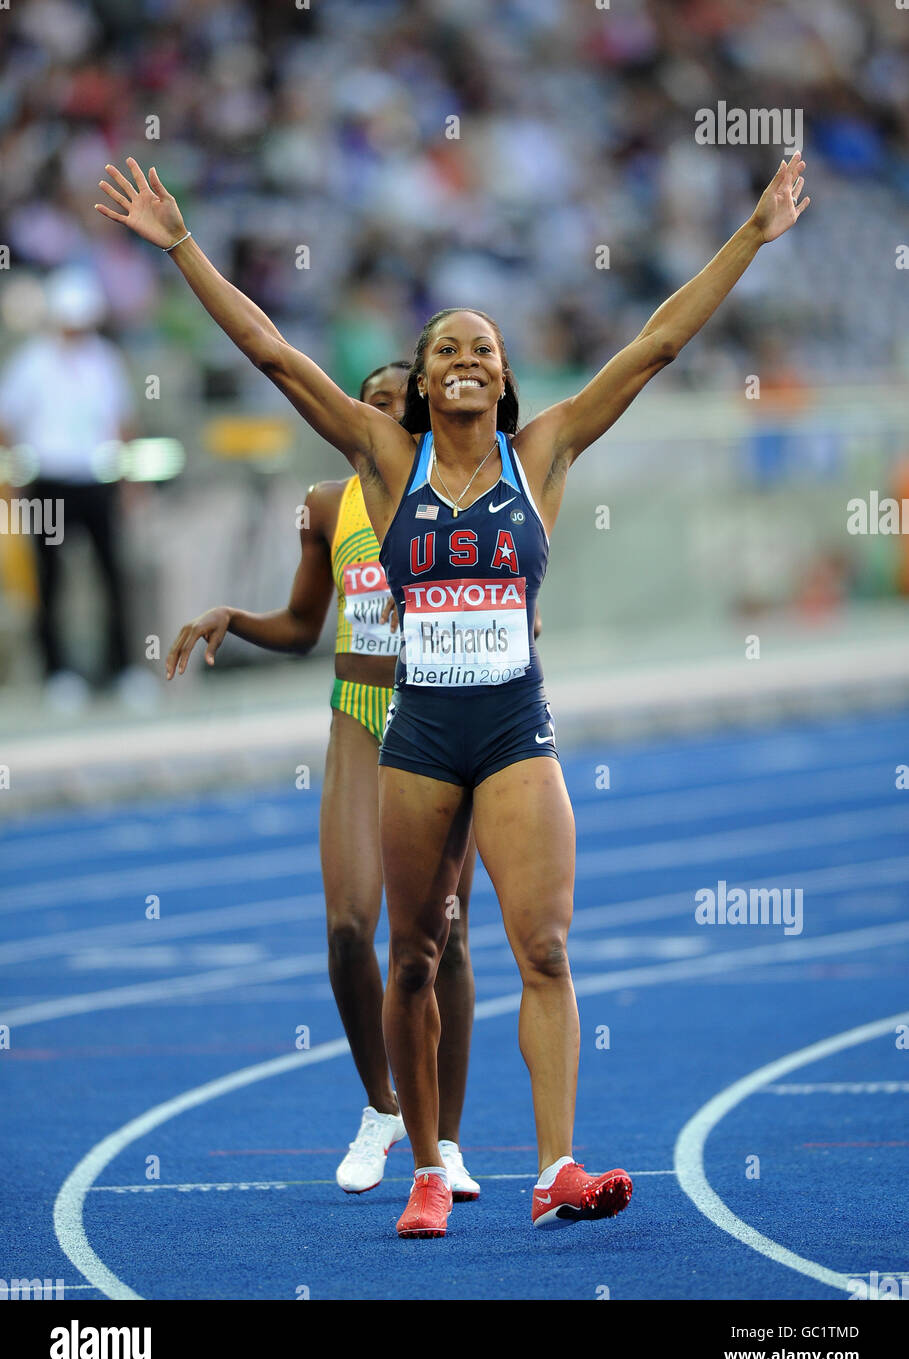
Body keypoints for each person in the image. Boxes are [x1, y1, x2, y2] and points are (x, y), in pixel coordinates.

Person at [97, 149, 810, 1238]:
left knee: (546, 949)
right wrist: (186, 245)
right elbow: (275, 357)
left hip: (516, 729)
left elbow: (659, 343)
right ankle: (429, 1166)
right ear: (424, 381)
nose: (467, 357)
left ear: (505, 373)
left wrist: (753, 237)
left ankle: (558, 1165)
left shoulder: (547, 452)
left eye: (484, 345)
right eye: (447, 348)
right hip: (420, 735)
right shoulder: (385, 460)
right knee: (416, 954)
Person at [164, 361, 480, 1199]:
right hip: (357, 712)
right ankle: (381, 1110)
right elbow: (304, 626)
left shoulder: (457, 495)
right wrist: (235, 616)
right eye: (361, 403)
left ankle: (444, 1140)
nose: (368, 417)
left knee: (444, 937)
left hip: (442, 715)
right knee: (348, 927)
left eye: (388, 406)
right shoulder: (325, 505)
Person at [0, 265, 137, 711]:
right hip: (49, 483)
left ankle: (123, 669)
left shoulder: (104, 360)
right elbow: (7, 424)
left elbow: (121, 423)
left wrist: (128, 479)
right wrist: (15, 476)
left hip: (96, 480)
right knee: (51, 579)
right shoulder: (31, 363)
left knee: (112, 573)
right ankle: (57, 672)